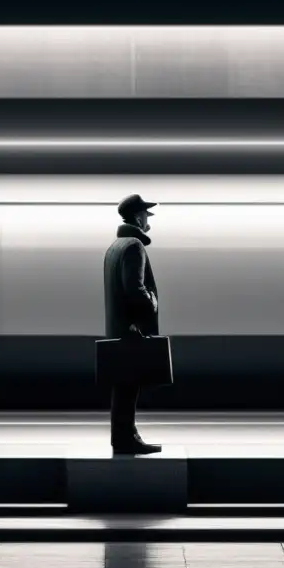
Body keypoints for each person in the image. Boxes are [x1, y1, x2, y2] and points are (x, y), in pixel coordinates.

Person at [103, 193, 162, 455]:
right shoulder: (134, 246)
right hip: (131, 329)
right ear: (138, 217)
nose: (149, 220)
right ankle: (126, 438)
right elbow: (135, 288)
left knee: (123, 385)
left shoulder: (115, 247)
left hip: (118, 328)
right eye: (147, 215)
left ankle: (125, 435)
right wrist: (152, 302)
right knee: (130, 385)